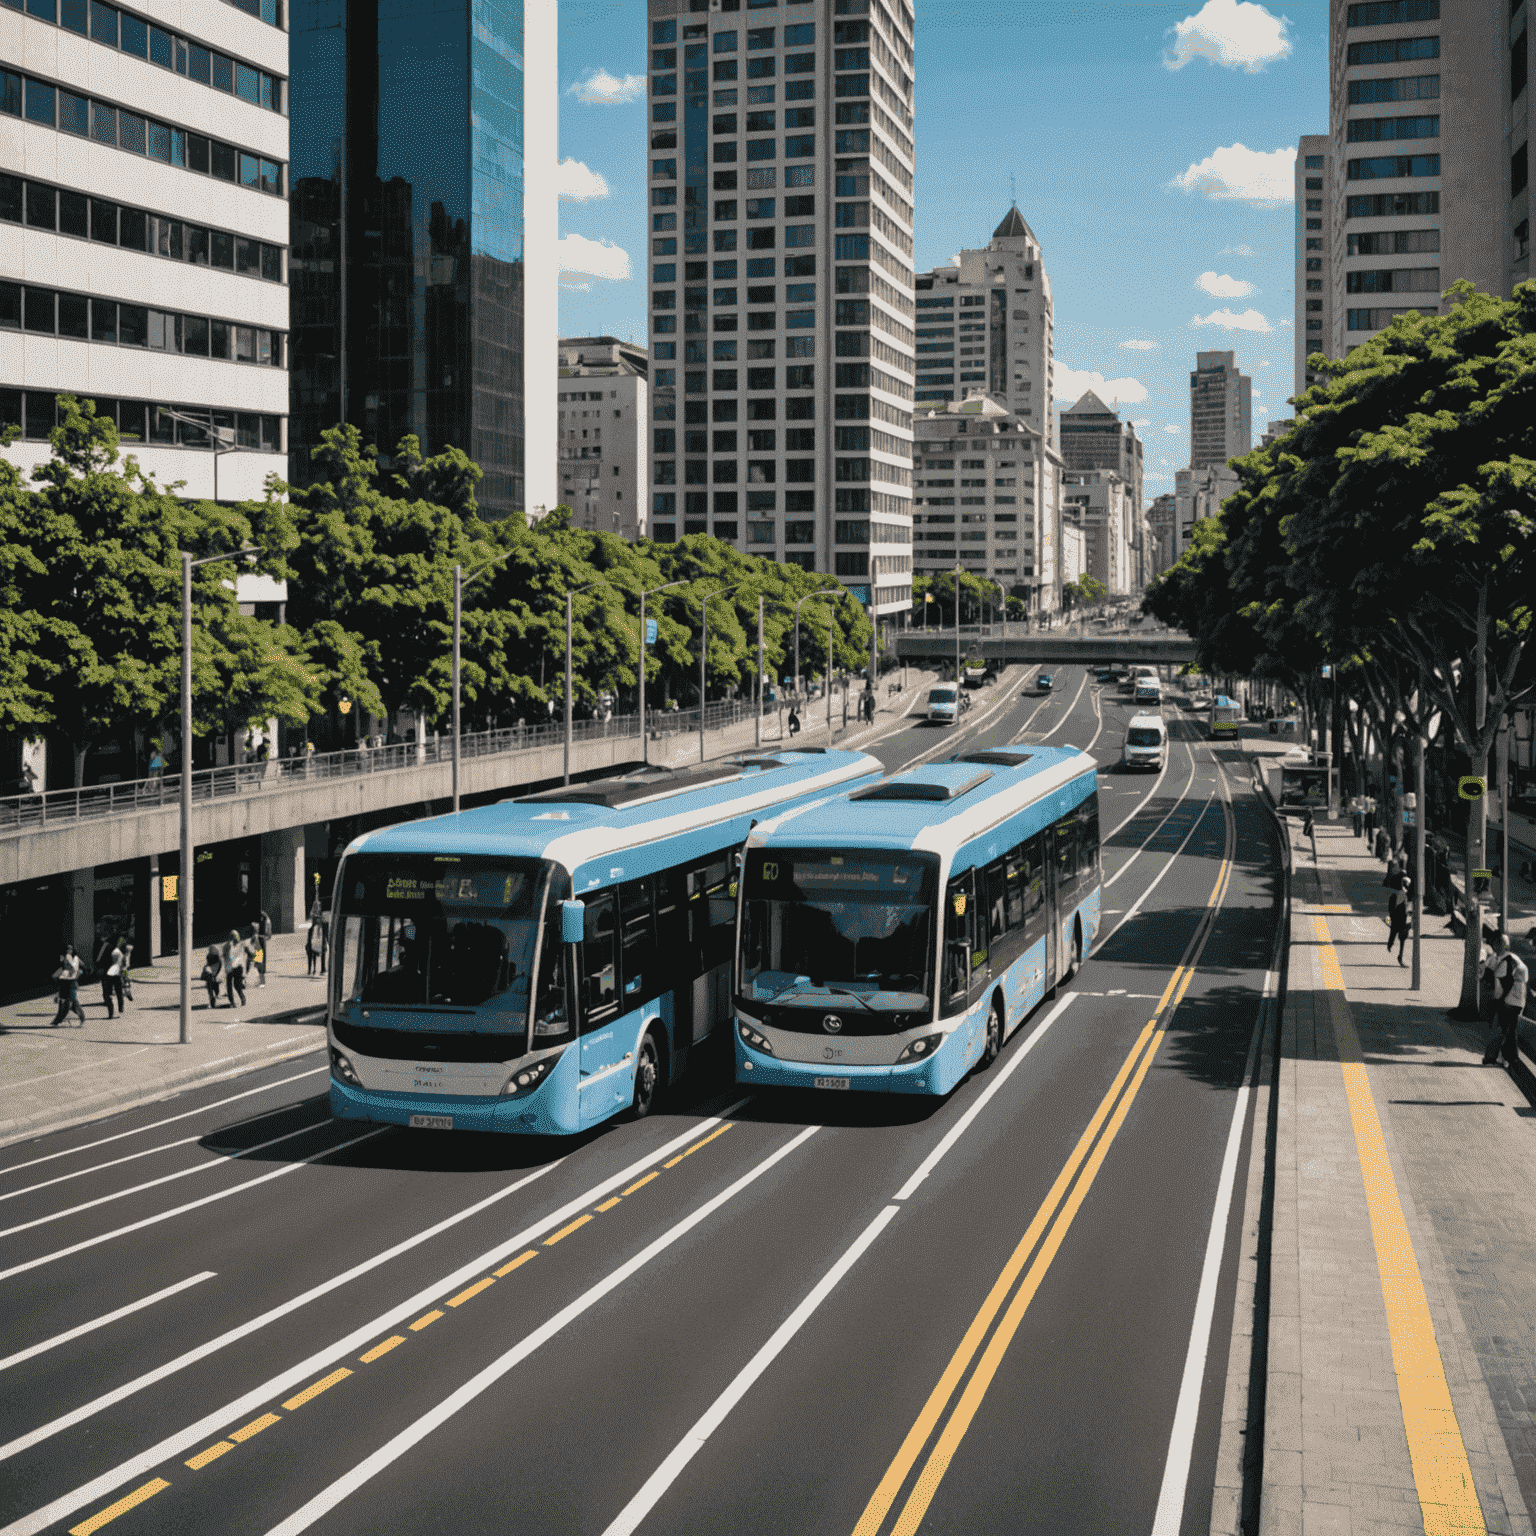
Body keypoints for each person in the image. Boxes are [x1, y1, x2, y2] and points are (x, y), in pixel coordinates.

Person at [1482, 931, 1528, 1069]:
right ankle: (1507, 1059)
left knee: (1503, 1029)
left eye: (1501, 943)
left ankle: (1498, 1058)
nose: (1500, 945)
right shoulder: (1507, 958)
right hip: (1515, 1001)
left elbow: (1506, 984)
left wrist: (1499, 1002)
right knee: (1508, 1030)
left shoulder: (1508, 960)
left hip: (1510, 1002)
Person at [51, 945, 86, 1027]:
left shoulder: (75, 958)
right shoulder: (63, 957)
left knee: (72, 1001)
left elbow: (82, 968)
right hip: (63, 982)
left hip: (71, 982)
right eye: (67, 948)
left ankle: (82, 1018)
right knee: (65, 1002)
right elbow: (61, 967)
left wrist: (78, 974)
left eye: (71, 949)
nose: (69, 950)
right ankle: (58, 1020)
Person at [1386, 870, 1413, 964]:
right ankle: (1399, 956)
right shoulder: (1402, 895)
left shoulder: (1396, 894)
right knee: (1401, 937)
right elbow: (1403, 908)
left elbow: (1391, 909)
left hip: (1397, 920)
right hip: (1400, 920)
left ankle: (1391, 946)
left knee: (1395, 934)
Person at [223, 928, 248, 1009]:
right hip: (236, 967)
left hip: (232, 967)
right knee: (236, 985)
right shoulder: (238, 945)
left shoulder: (227, 946)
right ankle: (241, 999)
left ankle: (234, 1002)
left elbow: (226, 957)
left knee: (230, 985)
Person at [253, 910, 272, 988]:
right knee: (259, 960)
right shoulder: (265, 917)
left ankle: (262, 981)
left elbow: (268, 930)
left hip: (259, 940)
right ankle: (261, 980)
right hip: (260, 939)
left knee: (260, 960)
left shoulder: (263, 917)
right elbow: (269, 933)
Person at [201, 944, 223, 1009]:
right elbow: (219, 966)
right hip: (212, 976)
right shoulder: (214, 957)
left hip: (212, 975)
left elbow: (210, 965)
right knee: (212, 989)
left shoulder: (212, 956)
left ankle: (213, 998)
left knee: (213, 989)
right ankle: (212, 1000)